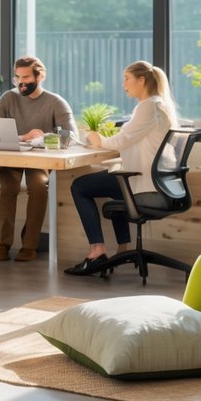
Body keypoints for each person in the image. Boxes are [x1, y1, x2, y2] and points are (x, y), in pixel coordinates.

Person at [65, 60, 181, 276]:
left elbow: (120, 141)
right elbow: (132, 140)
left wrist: (97, 139)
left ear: (141, 80)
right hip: (159, 185)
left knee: (79, 186)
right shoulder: (160, 105)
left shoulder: (147, 107)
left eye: (127, 79)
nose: (123, 84)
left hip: (146, 187)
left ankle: (97, 251)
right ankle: (123, 248)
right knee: (114, 182)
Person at [0, 56, 78, 263]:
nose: (21, 82)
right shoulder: (8, 98)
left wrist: (43, 137)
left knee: (38, 187)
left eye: (26, 77)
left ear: (40, 76)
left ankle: (29, 245)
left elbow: (72, 137)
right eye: (18, 77)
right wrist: (24, 137)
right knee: (8, 187)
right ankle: (3, 243)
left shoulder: (55, 102)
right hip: (10, 158)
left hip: (39, 160)